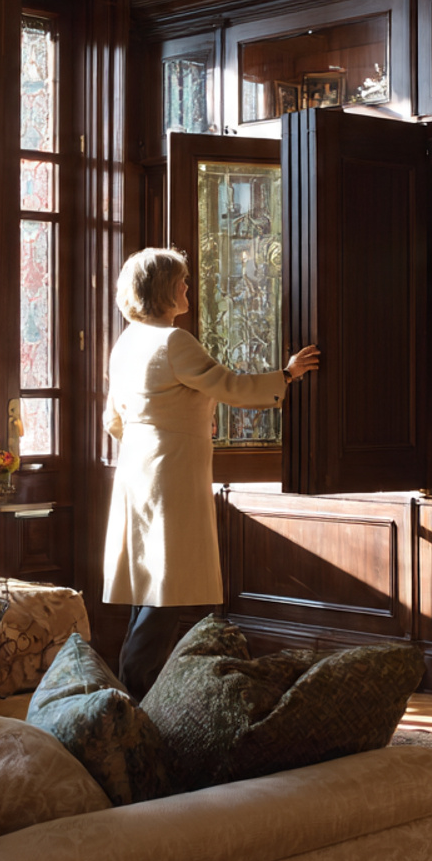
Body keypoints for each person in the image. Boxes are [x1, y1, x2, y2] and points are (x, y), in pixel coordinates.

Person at [102, 247, 320, 699]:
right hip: (171, 473)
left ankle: (128, 692)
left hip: (138, 470)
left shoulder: (127, 341)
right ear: (163, 289)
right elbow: (231, 386)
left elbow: (114, 420)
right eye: (181, 281)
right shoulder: (172, 341)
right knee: (168, 588)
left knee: (150, 584)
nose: (187, 288)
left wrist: (179, 416)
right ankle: (136, 692)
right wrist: (287, 374)